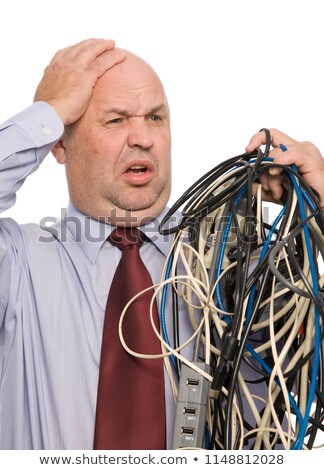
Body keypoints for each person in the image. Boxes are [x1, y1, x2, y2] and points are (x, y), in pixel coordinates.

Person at [0, 38, 323, 450]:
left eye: (155, 117)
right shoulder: (17, 264)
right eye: (115, 120)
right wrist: (45, 115)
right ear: (59, 143)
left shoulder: (246, 266)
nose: (143, 138)